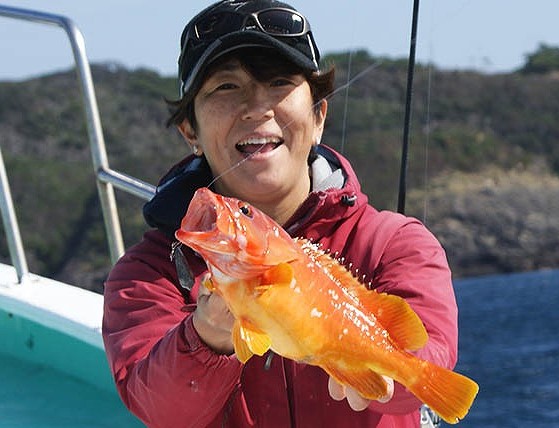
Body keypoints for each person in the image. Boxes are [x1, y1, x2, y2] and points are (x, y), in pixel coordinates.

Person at [102, 1, 459, 427]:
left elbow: (429, 358)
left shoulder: (395, 244)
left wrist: (380, 371)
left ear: (319, 116)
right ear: (190, 130)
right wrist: (208, 333)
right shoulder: (146, 275)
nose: (257, 108)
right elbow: (161, 409)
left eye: (279, 82)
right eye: (226, 86)